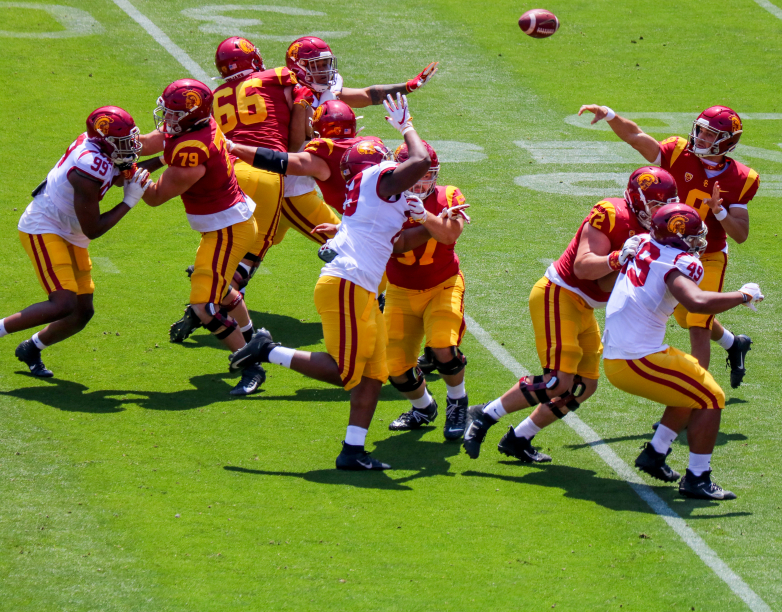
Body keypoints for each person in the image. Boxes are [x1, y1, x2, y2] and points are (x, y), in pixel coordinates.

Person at [227, 95, 432, 470]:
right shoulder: (376, 178)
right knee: (345, 373)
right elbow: (420, 161)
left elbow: (399, 244)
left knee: (373, 375)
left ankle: (352, 450)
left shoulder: (370, 189)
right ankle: (266, 350)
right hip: (348, 285)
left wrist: (432, 224)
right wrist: (406, 125)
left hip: (361, 287)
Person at [462, 167, 678, 463]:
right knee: (557, 382)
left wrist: (638, 264)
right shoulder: (611, 213)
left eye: (665, 203)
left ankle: (519, 438)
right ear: (636, 198)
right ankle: (485, 414)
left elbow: (604, 283)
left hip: (585, 305)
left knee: (583, 385)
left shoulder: (653, 232)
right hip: (559, 293)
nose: (660, 211)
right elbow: (584, 267)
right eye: (654, 203)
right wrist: (619, 257)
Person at [578, 104, 759, 387]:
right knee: (686, 316)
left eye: (710, 136)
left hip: (707, 254)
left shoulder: (741, 178)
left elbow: (741, 234)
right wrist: (611, 116)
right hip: (666, 249)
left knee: (697, 321)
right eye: (700, 130)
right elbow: (637, 137)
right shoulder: (678, 152)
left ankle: (696, 399)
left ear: (727, 142)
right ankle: (733, 343)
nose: (700, 138)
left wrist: (719, 211)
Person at [602, 203, 764, 499]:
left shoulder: (642, 242)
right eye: (692, 238)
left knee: (694, 381)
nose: (697, 244)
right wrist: (742, 296)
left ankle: (655, 453)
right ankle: (697, 478)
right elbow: (697, 303)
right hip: (635, 357)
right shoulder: (676, 263)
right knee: (712, 396)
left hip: (625, 349)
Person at [1, 107, 150, 377]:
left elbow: (119, 176)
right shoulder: (87, 167)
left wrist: (168, 158)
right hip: (46, 226)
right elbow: (94, 228)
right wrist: (130, 201)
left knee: (82, 312)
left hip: (71, 229)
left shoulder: (98, 148)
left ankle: (31, 348)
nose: (130, 146)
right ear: (105, 140)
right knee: (63, 304)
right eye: (123, 142)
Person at [140, 78, 264, 396]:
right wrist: (114, 145)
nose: (166, 118)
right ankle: (252, 341)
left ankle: (252, 365)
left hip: (227, 231)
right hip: (229, 224)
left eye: (173, 113)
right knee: (220, 289)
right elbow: (156, 142)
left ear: (191, 115)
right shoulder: (198, 125)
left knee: (203, 306)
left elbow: (154, 196)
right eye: (166, 111)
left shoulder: (192, 148)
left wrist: (130, 175)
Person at [271, 36, 438, 249]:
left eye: (325, 64)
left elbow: (367, 95)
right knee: (358, 244)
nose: (323, 71)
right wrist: (303, 108)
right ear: (299, 67)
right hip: (292, 188)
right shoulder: (289, 96)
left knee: (255, 246)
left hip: (306, 183)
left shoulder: (327, 91)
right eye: (316, 66)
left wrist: (407, 86)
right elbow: (293, 145)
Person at [382, 141, 472, 440]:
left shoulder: (449, 195)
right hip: (400, 290)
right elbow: (397, 246)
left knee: (442, 347)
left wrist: (423, 216)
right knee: (394, 366)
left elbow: (449, 234)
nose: (421, 183)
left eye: (427, 175)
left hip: (443, 284)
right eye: (415, 176)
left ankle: (457, 401)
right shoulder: (382, 199)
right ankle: (423, 407)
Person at [205, 36, 308, 294]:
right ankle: (209, 304)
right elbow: (296, 136)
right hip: (265, 169)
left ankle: (208, 288)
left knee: (222, 245)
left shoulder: (216, 97)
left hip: (226, 173)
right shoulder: (277, 76)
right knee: (253, 251)